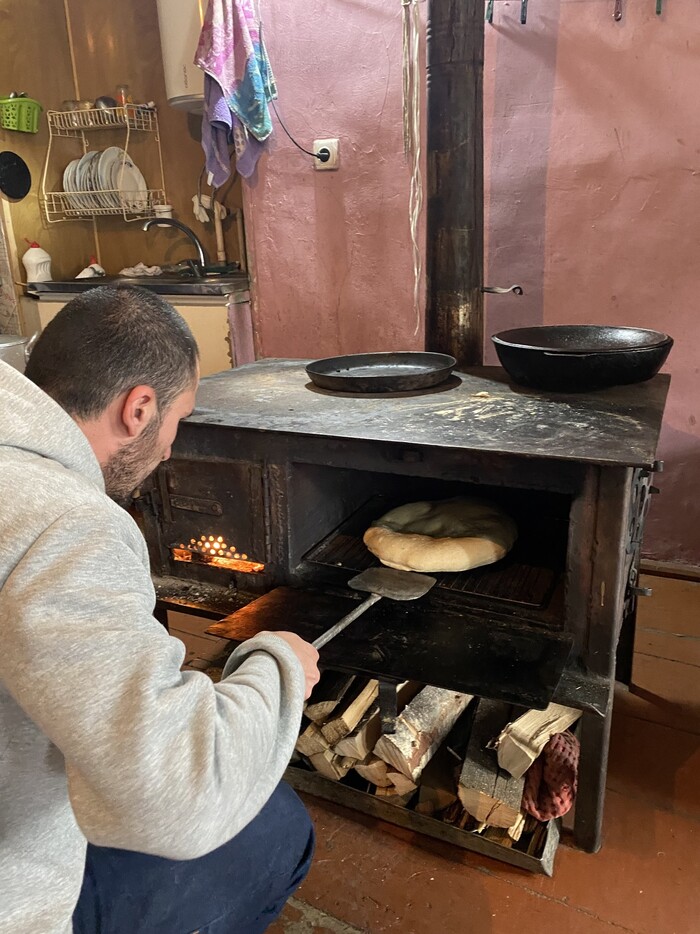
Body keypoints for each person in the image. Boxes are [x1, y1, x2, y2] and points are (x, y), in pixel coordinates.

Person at [0, 285, 320, 934]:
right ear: (139, 409)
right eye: (178, 422)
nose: (172, 448)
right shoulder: (63, 520)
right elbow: (183, 794)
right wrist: (276, 663)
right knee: (282, 829)